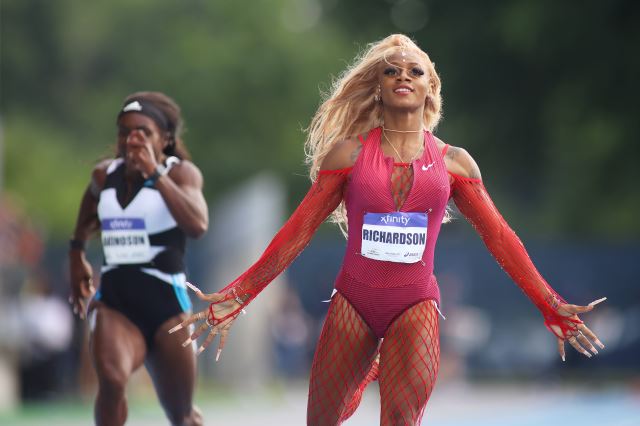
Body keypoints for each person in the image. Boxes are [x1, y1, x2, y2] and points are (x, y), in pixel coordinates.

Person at [170, 34, 605, 425]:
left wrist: (549, 303)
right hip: (352, 302)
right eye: (391, 71)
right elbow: (297, 233)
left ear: (429, 88)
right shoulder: (347, 156)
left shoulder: (455, 163)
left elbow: (500, 238)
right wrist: (240, 293)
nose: (403, 76)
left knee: (400, 420)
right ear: (377, 88)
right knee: (321, 420)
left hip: (415, 304)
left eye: (415, 71)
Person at [69, 91, 208, 426]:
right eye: (124, 131)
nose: (132, 139)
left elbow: (197, 224)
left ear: (165, 139)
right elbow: (89, 208)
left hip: (167, 307)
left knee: (182, 415)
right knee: (113, 380)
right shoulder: (105, 176)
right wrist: (77, 253)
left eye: (143, 131)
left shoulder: (181, 174)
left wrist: (154, 174)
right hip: (116, 303)